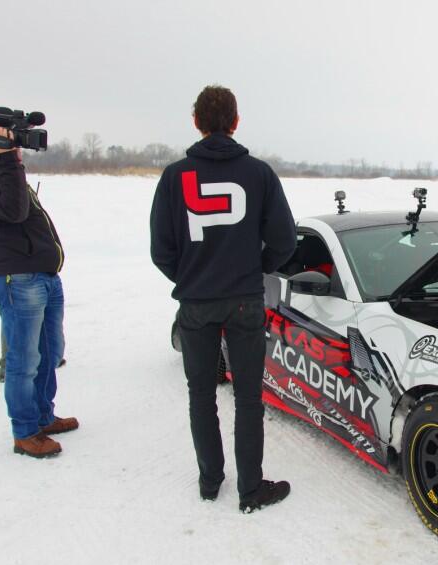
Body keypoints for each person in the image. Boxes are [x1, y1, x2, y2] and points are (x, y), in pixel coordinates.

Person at [150, 85, 297, 513]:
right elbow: (285, 243)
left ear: (196, 121)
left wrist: (193, 278)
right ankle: (250, 490)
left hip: (196, 304)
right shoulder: (259, 173)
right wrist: (253, 270)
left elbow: (162, 250)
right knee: (249, 398)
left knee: (201, 396)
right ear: (235, 122)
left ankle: (210, 482)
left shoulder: (175, 176)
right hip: (245, 302)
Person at [0, 108, 78, 458]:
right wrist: (9, 161)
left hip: (40, 276)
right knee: (23, 359)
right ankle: (25, 432)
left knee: (50, 352)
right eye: (10, 141)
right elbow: (13, 211)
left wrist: (7, 161)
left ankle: (42, 416)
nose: (17, 148)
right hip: (16, 278)